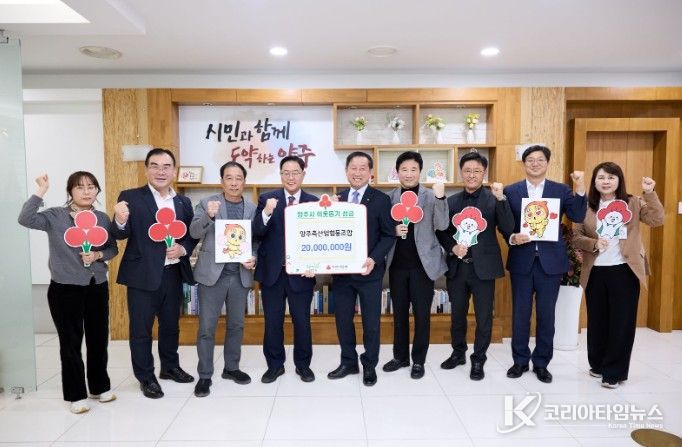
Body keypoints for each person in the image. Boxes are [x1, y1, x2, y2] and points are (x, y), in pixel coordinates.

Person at [19, 172, 118, 414]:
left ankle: (99, 387)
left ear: (97, 191)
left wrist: (98, 255)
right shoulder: (55, 216)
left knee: (98, 339)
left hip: (97, 285)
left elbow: (112, 248)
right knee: (71, 343)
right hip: (65, 288)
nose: (86, 191)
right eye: (80, 187)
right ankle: (76, 395)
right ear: (70, 191)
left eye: (91, 187)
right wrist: (41, 190)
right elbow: (25, 218)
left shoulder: (102, 218)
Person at [111, 148, 198, 399]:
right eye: (155, 166)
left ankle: (169, 367)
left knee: (170, 326)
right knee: (141, 330)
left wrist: (182, 249)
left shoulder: (182, 202)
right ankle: (146, 377)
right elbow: (119, 234)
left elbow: (191, 234)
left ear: (174, 171)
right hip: (142, 275)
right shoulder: (130, 197)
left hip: (173, 273)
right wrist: (119, 219)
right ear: (146, 169)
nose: (161, 171)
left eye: (166, 166)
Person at [572, 162, 663, 388]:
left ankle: (614, 372)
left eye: (611, 177)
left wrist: (650, 193)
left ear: (619, 181)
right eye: (601, 177)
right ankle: (598, 364)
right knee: (597, 320)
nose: (606, 181)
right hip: (595, 270)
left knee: (622, 322)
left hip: (624, 269)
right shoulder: (586, 206)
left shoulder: (633, 202)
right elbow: (576, 236)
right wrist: (594, 243)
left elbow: (657, 220)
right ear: (594, 181)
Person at [502, 145, 586, 383]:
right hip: (522, 260)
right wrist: (512, 237)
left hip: (551, 262)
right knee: (520, 314)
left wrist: (580, 188)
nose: (535, 163)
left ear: (548, 163)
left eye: (540, 159)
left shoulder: (561, 190)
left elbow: (577, 216)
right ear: (524, 163)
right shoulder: (511, 191)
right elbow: (504, 223)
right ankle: (520, 361)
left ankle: (541, 363)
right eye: (530, 159)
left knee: (546, 315)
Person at [436, 152, 514, 380]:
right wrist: (452, 247)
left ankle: (478, 359)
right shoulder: (451, 201)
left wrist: (502, 200)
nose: (471, 175)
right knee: (457, 315)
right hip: (458, 267)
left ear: (484, 173)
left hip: (484, 269)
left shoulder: (493, 199)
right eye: (467, 171)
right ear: (461, 173)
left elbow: (508, 228)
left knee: (484, 317)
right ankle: (458, 353)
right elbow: (441, 231)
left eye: (477, 171)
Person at [190, 161, 257, 397]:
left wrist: (254, 257)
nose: (234, 183)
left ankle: (231, 368)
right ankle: (205, 375)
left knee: (236, 325)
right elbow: (194, 232)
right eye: (229, 178)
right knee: (207, 328)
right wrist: (209, 216)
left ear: (244, 182)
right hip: (212, 275)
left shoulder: (252, 208)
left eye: (239, 178)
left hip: (240, 275)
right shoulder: (207, 203)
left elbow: (256, 240)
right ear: (222, 181)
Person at [327, 152, 395, 386]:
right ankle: (348, 362)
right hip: (342, 273)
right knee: (343, 320)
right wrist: (328, 211)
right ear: (346, 171)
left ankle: (369, 364)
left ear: (370, 173)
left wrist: (373, 259)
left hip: (369, 273)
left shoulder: (381, 200)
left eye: (362, 168)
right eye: (353, 168)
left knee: (371, 322)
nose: (357, 173)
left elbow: (388, 235)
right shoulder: (337, 199)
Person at [383, 151, 449, 379]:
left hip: (423, 266)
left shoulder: (430, 196)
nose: (409, 174)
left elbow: (442, 225)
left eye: (413, 169)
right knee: (399, 314)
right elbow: (380, 229)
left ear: (420, 172)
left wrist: (441, 198)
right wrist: (392, 230)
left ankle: (418, 360)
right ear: (397, 172)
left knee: (422, 316)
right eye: (404, 169)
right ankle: (400, 357)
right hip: (397, 266)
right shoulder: (389, 198)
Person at [253, 156, 318, 383]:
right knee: (273, 322)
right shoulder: (267, 199)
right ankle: (274, 365)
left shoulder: (313, 202)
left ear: (303, 174)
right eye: (286, 173)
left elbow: (319, 239)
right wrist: (266, 212)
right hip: (273, 273)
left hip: (302, 274)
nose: (291, 177)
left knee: (302, 322)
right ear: (280, 175)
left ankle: (303, 365)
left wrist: (315, 265)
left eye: (295, 172)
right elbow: (257, 232)